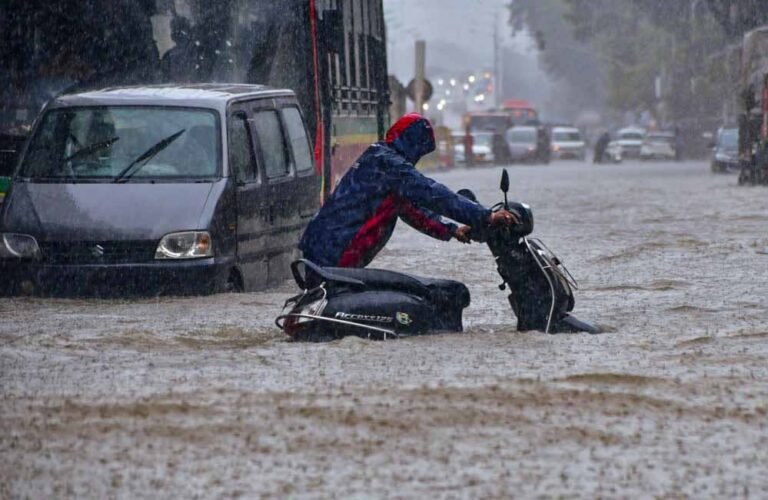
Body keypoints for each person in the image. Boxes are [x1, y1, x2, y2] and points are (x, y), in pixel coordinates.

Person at [299, 113, 518, 269]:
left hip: (322, 247)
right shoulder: (390, 165)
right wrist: (486, 216)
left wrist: (451, 230)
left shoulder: (378, 157)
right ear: (413, 143)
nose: (418, 158)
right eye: (420, 150)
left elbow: (412, 211)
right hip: (336, 251)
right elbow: (433, 194)